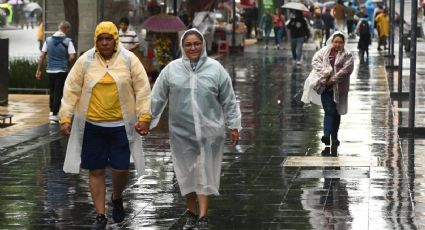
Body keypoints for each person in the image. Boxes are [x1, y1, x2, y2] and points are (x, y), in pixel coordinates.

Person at [58, 21, 151, 229]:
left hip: (121, 126)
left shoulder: (128, 60)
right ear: (96, 41)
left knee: (120, 168)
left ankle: (116, 197)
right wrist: (65, 117)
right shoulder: (86, 60)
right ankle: (101, 215)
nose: (105, 43)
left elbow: (143, 88)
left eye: (109, 38)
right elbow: (71, 88)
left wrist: (144, 116)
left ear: (115, 40)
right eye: (101, 39)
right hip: (92, 126)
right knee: (96, 170)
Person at [150, 28, 241, 230]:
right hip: (181, 132)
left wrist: (234, 125)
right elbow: (157, 97)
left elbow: (228, 99)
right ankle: (190, 211)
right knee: (186, 172)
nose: (193, 48)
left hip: (210, 132)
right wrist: (147, 119)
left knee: (204, 171)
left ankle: (202, 216)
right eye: (189, 44)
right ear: (182, 47)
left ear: (203, 45)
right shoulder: (171, 70)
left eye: (197, 43)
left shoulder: (216, 69)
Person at [301, 31, 354, 148]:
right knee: (329, 110)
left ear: (344, 43)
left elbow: (347, 70)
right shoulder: (325, 51)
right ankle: (326, 134)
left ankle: (334, 137)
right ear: (332, 41)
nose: (337, 44)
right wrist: (325, 71)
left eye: (340, 42)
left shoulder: (348, 55)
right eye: (335, 42)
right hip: (325, 87)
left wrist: (333, 79)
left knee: (337, 112)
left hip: (340, 89)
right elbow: (315, 61)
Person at [35, 20, 76, 123]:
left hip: (50, 70)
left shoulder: (48, 40)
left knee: (52, 90)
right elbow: (72, 56)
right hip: (62, 70)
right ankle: (54, 114)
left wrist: (39, 70)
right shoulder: (68, 41)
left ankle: (52, 111)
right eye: (68, 30)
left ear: (59, 28)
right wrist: (65, 62)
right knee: (59, 91)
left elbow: (42, 55)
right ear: (66, 29)